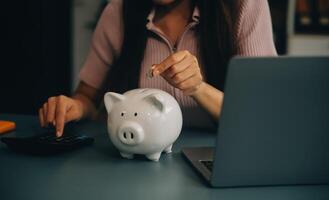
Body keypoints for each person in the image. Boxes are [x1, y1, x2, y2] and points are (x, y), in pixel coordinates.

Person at [39, 0, 277, 137]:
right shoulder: (118, 12)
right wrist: (75, 107)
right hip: (138, 162)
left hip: (223, 156)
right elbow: (87, 98)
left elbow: (260, 116)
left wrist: (198, 88)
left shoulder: (243, 6)